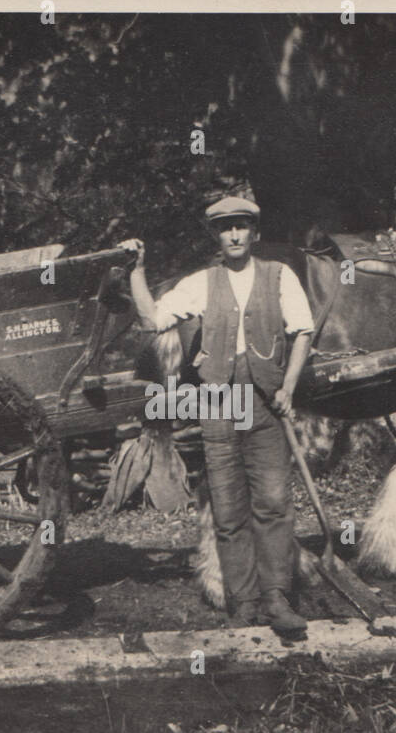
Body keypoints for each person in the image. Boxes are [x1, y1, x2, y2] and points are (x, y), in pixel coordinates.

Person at [118, 197, 315, 637]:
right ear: (216, 236)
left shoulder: (279, 277)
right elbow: (151, 320)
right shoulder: (202, 283)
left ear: (255, 233)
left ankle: (277, 598)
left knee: (274, 504)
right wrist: (137, 269)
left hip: (265, 401)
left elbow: (302, 331)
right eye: (226, 229)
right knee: (228, 509)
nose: (235, 235)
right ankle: (243, 602)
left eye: (242, 226)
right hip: (219, 403)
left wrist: (288, 386)